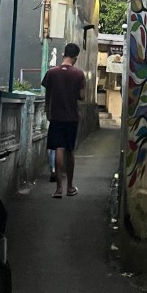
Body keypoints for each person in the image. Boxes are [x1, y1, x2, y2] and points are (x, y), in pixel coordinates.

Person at [42, 42, 86, 198]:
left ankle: (58, 189)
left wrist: (48, 110)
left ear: (63, 54)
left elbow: (47, 95)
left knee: (58, 149)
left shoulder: (51, 73)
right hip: (72, 117)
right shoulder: (79, 74)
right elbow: (82, 96)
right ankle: (70, 187)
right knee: (70, 150)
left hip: (56, 116)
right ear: (75, 57)